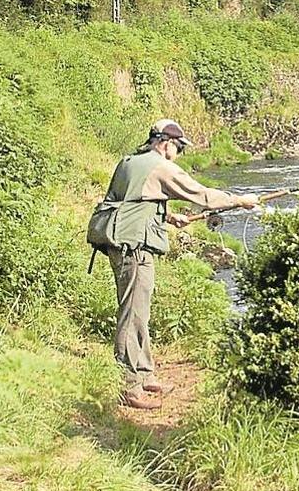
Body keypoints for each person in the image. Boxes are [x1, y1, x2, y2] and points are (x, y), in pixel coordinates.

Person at [91, 119, 258, 410]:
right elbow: (202, 195)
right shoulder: (161, 166)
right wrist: (240, 200)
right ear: (166, 143)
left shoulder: (129, 161)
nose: (178, 153)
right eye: (178, 148)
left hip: (118, 241)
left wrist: (169, 218)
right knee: (133, 313)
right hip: (135, 245)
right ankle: (130, 385)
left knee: (138, 308)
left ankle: (145, 374)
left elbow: (129, 199)